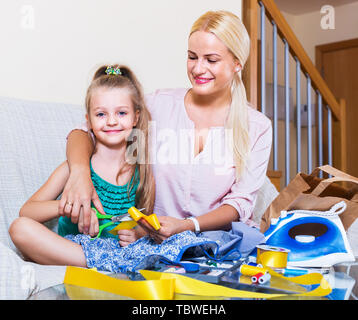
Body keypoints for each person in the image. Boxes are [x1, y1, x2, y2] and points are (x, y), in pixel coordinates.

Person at [62, 10, 272, 245]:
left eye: (211, 60)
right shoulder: (158, 105)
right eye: (192, 57)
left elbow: (240, 203)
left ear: (237, 64)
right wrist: (80, 174)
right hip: (151, 238)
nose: (198, 69)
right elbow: (84, 131)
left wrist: (189, 226)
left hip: (217, 240)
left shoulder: (258, 127)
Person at [9, 64, 154, 266]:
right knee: (19, 227)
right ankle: (98, 263)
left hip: (121, 250)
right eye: (101, 114)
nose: (111, 121)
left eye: (121, 113)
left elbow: (146, 221)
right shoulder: (72, 168)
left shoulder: (141, 173)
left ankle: (110, 262)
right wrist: (69, 207)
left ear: (136, 117)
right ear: (88, 121)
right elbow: (27, 212)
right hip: (77, 249)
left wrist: (136, 234)